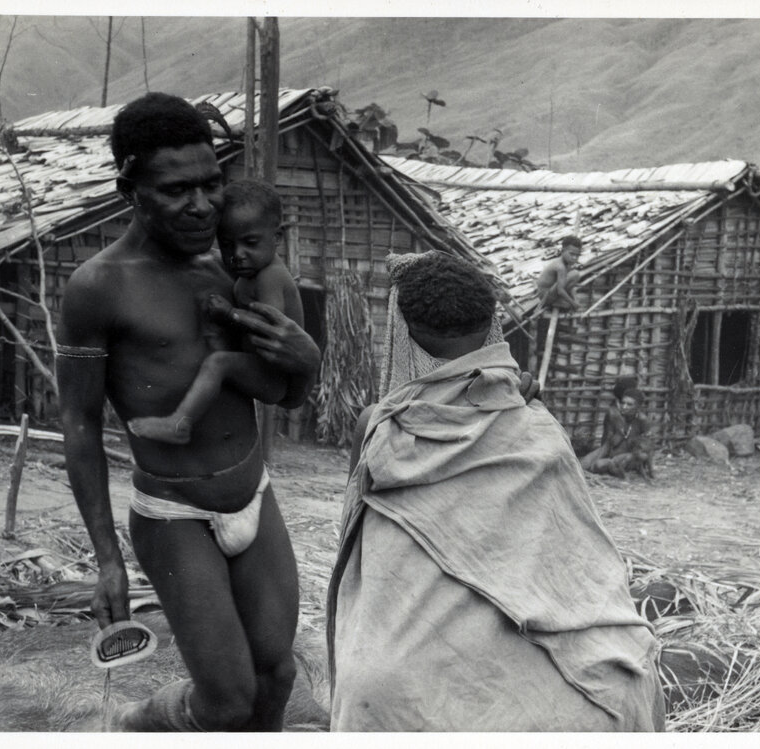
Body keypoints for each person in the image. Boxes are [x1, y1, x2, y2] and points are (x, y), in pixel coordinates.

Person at [57, 92, 321, 731]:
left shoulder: (235, 265)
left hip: (253, 495)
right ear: (131, 189)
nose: (202, 204)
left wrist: (307, 359)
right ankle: (138, 721)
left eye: (211, 183)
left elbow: (286, 396)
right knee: (228, 702)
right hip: (174, 513)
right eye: (177, 190)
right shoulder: (100, 286)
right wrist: (107, 559)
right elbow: (80, 424)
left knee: (276, 675)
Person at [327, 251, 664, 731]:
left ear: (402, 334)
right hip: (561, 669)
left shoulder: (378, 430)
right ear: (492, 332)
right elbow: (574, 562)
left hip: (388, 680)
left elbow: (357, 547)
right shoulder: (537, 428)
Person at [127, 178, 297, 445]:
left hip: (272, 379)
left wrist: (230, 315)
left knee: (218, 362)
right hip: (259, 371)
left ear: (277, 237)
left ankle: (180, 424)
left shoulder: (270, 277)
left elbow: (271, 328)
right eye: (228, 245)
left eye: (250, 243)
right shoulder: (250, 272)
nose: (238, 254)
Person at [580, 382, 654, 479]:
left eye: (629, 404)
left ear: (638, 407)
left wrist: (651, 471)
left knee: (600, 465)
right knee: (580, 465)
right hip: (613, 456)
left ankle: (618, 470)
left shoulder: (643, 421)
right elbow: (607, 445)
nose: (624, 407)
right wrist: (590, 461)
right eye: (623, 403)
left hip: (630, 459)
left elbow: (649, 449)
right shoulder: (615, 417)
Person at [536, 234, 583, 310]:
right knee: (575, 274)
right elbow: (560, 290)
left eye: (577, 255)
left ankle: (560, 300)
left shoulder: (566, 264)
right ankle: (556, 301)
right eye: (571, 254)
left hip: (550, 292)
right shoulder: (560, 267)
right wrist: (574, 304)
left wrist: (575, 300)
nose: (574, 258)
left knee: (573, 274)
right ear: (563, 251)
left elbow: (569, 286)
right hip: (546, 297)